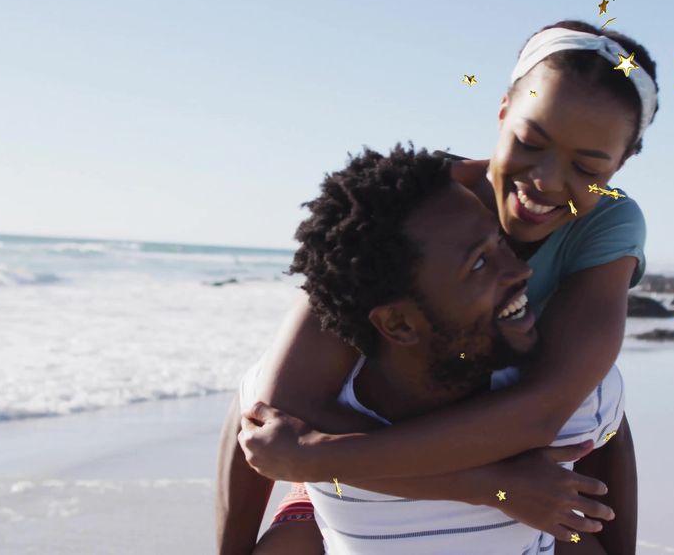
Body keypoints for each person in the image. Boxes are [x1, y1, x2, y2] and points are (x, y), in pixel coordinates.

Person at [220, 19, 658, 554]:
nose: (544, 180)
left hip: (504, 426)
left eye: (588, 166)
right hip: (391, 426)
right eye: (529, 141)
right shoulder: (421, 200)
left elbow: (545, 412)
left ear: (623, 161)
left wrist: (313, 456)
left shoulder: (607, 226)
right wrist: (487, 487)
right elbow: (279, 410)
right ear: (502, 110)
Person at [233, 145, 616, 553]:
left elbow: (610, 434)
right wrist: (493, 486)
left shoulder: (568, 398)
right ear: (398, 324)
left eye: (500, 245)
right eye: (480, 263)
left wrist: (314, 460)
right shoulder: (305, 404)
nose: (523, 270)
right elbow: (249, 430)